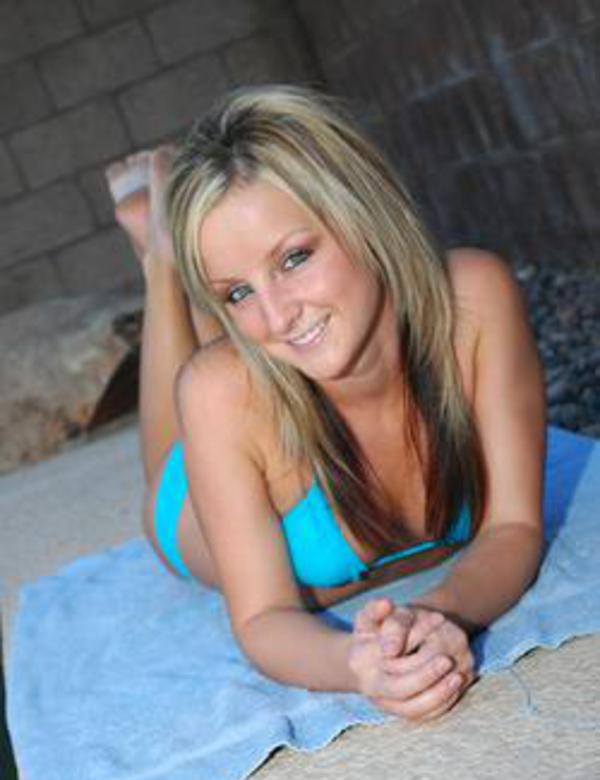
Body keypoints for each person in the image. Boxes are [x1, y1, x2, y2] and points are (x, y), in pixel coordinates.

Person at [105, 84, 546, 722]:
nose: (276, 314)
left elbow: (514, 528)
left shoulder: (474, 301)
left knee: (252, 344)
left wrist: (438, 617)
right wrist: (358, 665)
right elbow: (262, 618)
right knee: (202, 394)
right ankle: (162, 259)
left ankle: (195, 253)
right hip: (201, 489)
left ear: (361, 210)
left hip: (258, 396)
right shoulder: (220, 393)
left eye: (294, 258)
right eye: (237, 293)